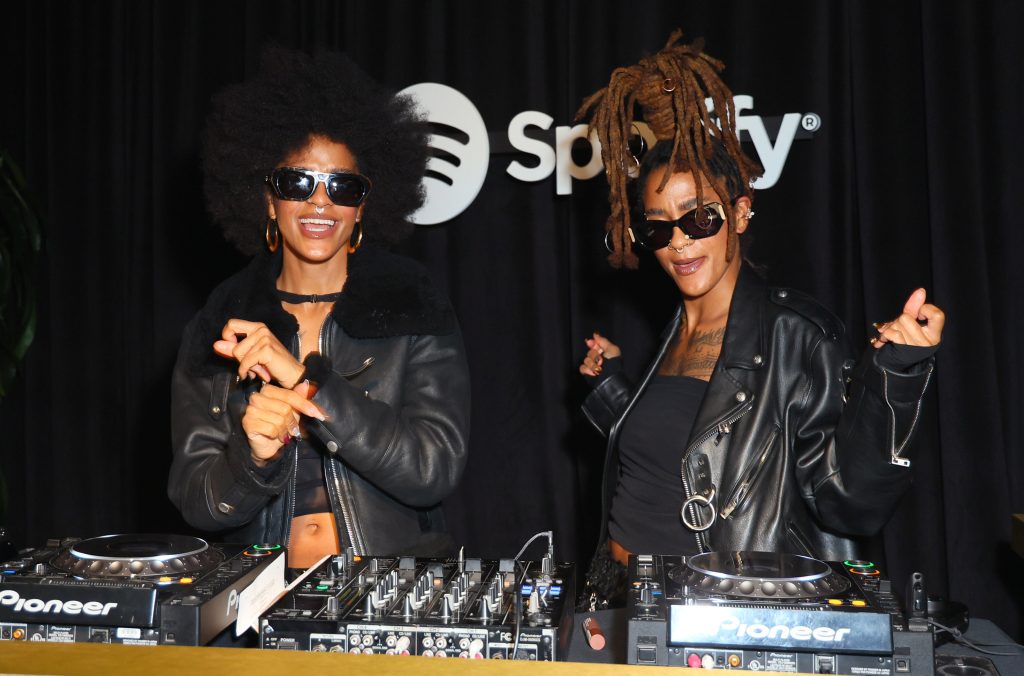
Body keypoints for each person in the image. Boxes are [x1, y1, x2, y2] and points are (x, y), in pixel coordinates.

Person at [574, 31, 944, 607]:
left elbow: (850, 500)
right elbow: (689, 450)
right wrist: (612, 391)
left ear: (740, 212)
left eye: (698, 217)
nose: (679, 242)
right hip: (614, 589)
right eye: (656, 227)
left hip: (712, 606)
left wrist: (897, 373)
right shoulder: (674, 329)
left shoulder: (797, 334)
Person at [168, 48, 470, 568]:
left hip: (385, 595)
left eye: (343, 187)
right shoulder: (222, 320)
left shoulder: (411, 305)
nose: (320, 203)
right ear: (267, 198)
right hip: (258, 601)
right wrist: (253, 459)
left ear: (363, 206)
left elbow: (433, 469)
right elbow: (198, 503)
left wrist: (308, 385)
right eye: (297, 183)